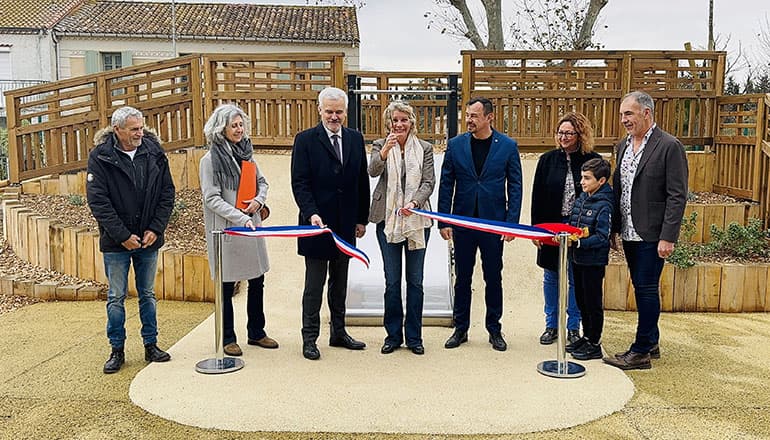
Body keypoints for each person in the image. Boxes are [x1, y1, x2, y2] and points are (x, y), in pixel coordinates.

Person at [86, 106, 175, 374]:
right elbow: (98, 202)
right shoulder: (100, 157)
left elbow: (167, 193)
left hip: (148, 240)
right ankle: (117, 350)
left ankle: (151, 345)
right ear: (118, 130)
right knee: (116, 296)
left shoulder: (155, 152)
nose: (140, 133)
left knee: (147, 294)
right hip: (116, 244)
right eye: (134, 129)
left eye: (141, 127)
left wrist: (155, 229)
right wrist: (122, 236)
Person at [603, 90, 688, 370]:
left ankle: (640, 352)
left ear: (647, 113)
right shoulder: (623, 146)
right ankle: (652, 342)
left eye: (629, 113)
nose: (624, 119)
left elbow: (677, 195)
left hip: (653, 233)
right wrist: (615, 228)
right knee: (641, 288)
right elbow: (620, 188)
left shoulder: (669, 145)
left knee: (647, 288)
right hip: (629, 230)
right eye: (622, 115)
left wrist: (668, 236)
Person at [291, 86, 370, 361]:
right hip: (315, 225)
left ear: (345, 113)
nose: (333, 117)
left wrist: (362, 218)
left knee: (340, 283)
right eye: (329, 112)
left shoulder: (355, 139)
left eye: (338, 112)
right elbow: (299, 183)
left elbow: (362, 181)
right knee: (314, 286)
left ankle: (338, 332)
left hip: (346, 225)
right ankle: (309, 338)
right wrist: (310, 212)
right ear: (319, 111)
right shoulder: (305, 140)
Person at [438, 97, 522, 352]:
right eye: (467, 115)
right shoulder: (455, 145)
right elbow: (446, 182)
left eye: (474, 116)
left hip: (493, 222)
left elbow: (515, 186)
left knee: (493, 276)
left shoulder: (507, 146)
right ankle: (460, 328)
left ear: (489, 117)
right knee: (462, 277)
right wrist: (444, 220)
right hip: (462, 221)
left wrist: (511, 224)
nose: (469, 120)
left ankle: (494, 329)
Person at [199, 104, 278, 357]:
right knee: (226, 285)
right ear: (220, 128)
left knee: (257, 279)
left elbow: (262, 183)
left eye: (241, 124)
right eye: (234, 125)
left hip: (251, 228)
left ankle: (257, 332)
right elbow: (212, 198)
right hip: (228, 231)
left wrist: (259, 200)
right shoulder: (209, 160)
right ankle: (228, 338)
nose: (239, 129)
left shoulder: (247, 155)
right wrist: (239, 216)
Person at [368, 101, 435, 356]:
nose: (399, 124)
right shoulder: (379, 144)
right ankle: (393, 336)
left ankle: (415, 337)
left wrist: (415, 202)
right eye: (395, 120)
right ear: (389, 123)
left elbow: (429, 181)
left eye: (403, 120)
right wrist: (385, 151)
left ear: (411, 122)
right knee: (392, 282)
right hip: (388, 221)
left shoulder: (425, 148)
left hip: (417, 220)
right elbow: (373, 171)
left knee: (415, 282)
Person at [531, 112, 601, 347]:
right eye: (560, 133)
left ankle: (573, 327)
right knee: (551, 275)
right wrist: (536, 230)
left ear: (580, 135)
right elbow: (537, 196)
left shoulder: (592, 160)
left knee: (575, 276)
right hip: (551, 225)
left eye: (569, 133)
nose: (563, 137)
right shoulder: (547, 160)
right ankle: (551, 324)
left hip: (579, 228)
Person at [567, 158, 614, 361]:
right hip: (578, 259)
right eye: (582, 177)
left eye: (587, 178)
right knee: (581, 299)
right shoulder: (582, 198)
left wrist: (579, 243)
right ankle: (586, 337)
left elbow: (602, 236)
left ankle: (594, 342)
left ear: (601, 181)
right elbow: (574, 225)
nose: (582, 182)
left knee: (592, 301)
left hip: (593, 261)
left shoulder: (604, 204)